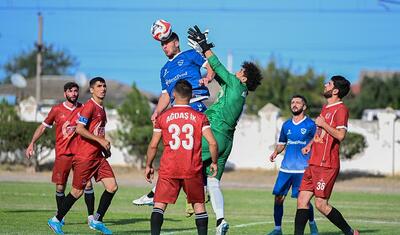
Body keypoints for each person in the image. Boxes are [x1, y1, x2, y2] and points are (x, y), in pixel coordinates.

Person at [187, 25, 263, 235]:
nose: (237, 72)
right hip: (227, 142)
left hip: (214, 134)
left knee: (184, 161)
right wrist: (204, 51)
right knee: (213, 181)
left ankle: (155, 194)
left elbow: (218, 66)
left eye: (240, 71)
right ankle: (220, 221)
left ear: (244, 78)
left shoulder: (236, 85)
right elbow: (217, 72)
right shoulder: (239, 91)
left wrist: (204, 45)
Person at [133, 30, 214, 211]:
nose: (164, 47)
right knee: (177, 148)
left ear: (176, 42)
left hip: (194, 103)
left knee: (190, 148)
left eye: (167, 43)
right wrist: (157, 111)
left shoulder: (190, 55)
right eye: (162, 44)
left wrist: (208, 77)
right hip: (177, 110)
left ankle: (161, 192)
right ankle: (195, 188)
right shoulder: (164, 70)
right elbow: (165, 95)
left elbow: (210, 65)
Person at [145, 79, 218, 235]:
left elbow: (153, 145)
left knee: (159, 205)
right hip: (192, 168)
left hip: (169, 168)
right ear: (191, 95)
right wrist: (214, 162)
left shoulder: (162, 117)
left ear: (173, 94)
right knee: (199, 206)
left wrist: (148, 165)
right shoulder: (200, 117)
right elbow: (212, 143)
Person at [47, 77, 117, 235]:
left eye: (104, 86)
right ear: (92, 90)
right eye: (99, 86)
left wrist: (105, 148)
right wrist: (100, 140)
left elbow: (97, 131)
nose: (103, 88)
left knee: (112, 187)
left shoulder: (101, 107)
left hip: (98, 157)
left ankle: (97, 220)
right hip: (85, 157)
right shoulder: (89, 107)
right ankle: (56, 219)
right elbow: (79, 129)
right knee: (77, 192)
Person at [294, 76, 359, 235]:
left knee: (321, 204)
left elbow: (341, 135)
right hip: (313, 162)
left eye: (328, 84)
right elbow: (320, 133)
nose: (325, 85)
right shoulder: (325, 108)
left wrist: (323, 124)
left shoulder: (341, 109)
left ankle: (349, 232)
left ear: (335, 90)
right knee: (302, 201)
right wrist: (310, 145)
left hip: (327, 164)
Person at [26, 82, 95, 226]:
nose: (74, 94)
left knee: (88, 184)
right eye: (70, 91)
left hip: (81, 154)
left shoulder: (83, 108)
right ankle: (60, 216)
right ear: (65, 94)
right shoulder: (57, 110)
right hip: (63, 154)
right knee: (60, 187)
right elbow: (43, 127)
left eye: (76, 91)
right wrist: (32, 142)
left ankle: (91, 217)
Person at [266, 95, 318, 235]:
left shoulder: (310, 125)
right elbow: (282, 143)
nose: (294, 104)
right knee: (278, 198)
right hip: (286, 169)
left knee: (303, 201)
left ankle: (312, 224)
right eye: (292, 102)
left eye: (298, 102)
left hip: (303, 169)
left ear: (304, 107)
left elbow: (318, 140)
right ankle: (277, 229)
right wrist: (276, 153)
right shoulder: (286, 125)